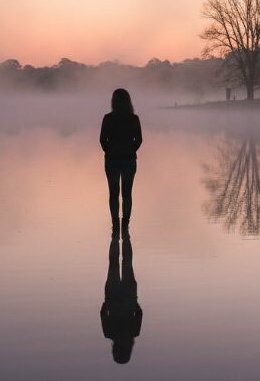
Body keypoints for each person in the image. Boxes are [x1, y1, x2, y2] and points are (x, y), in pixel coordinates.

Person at [99, 88, 142, 235]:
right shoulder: (134, 118)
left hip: (111, 160)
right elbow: (139, 140)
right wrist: (130, 150)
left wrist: (110, 151)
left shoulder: (108, 118)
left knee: (113, 193)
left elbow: (102, 140)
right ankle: (125, 224)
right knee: (127, 194)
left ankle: (115, 224)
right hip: (129, 160)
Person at [100, 233, 142, 364]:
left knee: (127, 262)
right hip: (113, 296)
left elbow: (139, 313)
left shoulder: (134, 332)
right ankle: (116, 237)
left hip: (128, 296)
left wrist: (134, 301)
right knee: (115, 263)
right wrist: (107, 302)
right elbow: (102, 313)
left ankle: (124, 237)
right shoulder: (109, 333)